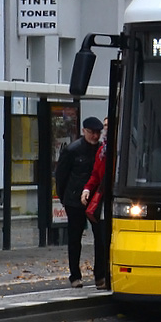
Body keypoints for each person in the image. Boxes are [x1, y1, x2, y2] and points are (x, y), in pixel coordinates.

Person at [55, 116, 102, 288]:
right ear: (84, 131)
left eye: (97, 133)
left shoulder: (101, 150)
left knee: (100, 237)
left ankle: (100, 275)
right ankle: (75, 275)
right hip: (75, 201)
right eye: (91, 132)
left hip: (95, 201)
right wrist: (64, 198)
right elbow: (61, 176)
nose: (95, 136)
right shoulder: (72, 150)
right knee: (75, 238)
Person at [80, 118, 111, 291]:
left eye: (107, 126)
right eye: (104, 126)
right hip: (103, 199)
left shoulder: (120, 148)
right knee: (100, 239)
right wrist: (87, 189)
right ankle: (100, 276)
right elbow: (95, 175)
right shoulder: (102, 150)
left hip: (117, 199)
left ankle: (108, 274)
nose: (105, 129)